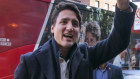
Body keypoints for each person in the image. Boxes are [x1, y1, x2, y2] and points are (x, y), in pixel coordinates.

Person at [14, 1, 137, 79]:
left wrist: (123, 6)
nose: (70, 28)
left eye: (75, 24)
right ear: (52, 27)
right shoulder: (30, 62)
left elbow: (118, 41)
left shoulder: (87, 55)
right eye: (64, 22)